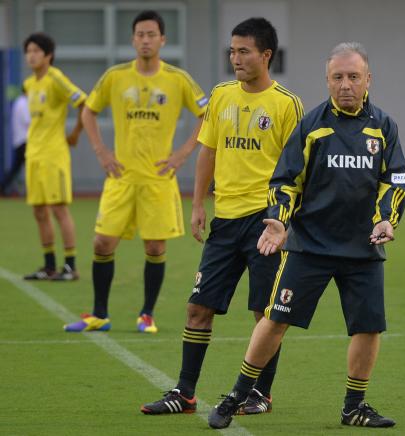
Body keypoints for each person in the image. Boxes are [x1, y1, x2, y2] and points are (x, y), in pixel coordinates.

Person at [207, 42, 405, 430]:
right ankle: (238, 394)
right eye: (338, 77)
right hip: (310, 246)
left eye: (353, 77)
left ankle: (354, 407)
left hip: (363, 247)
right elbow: (284, 181)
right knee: (275, 319)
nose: (345, 84)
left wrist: (387, 220)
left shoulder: (383, 127)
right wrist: (279, 221)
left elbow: (394, 179)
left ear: (368, 80)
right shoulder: (312, 125)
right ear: (327, 81)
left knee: (368, 327)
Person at [140, 17, 304, 415]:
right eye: (232, 51)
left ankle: (259, 394)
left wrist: (287, 223)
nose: (236, 58)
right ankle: (185, 393)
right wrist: (197, 204)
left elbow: (300, 171)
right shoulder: (221, 96)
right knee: (199, 306)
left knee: (264, 313)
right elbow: (207, 151)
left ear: (266, 55)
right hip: (224, 220)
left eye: (244, 51)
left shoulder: (287, 104)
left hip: (265, 222)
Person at [63, 10, 208, 334]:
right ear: (133, 40)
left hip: (158, 179)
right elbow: (88, 111)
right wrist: (101, 151)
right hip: (121, 177)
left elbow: (206, 112)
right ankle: (99, 314)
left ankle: (147, 315)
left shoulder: (177, 78)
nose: (145, 40)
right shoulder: (115, 76)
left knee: (155, 248)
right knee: (102, 243)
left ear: (162, 40)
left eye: (151, 34)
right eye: (140, 34)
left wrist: (182, 154)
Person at [23, 33, 86, 281]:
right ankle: (49, 265)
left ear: (48, 55)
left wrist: (75, 134)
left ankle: (70, 266)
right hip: (34, 154)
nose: (31, 55)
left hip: (53, 154)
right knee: (39, 211)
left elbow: (84, 103)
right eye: (28, 51)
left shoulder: (56, 78)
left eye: (36, 50)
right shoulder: (30, 84)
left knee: (59, 209)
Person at [0, 90, 30, 196]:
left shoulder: (19, 102)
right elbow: (28, 121)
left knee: (16, 167)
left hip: (20, 140)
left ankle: (3, 186)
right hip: (24, 140)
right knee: (30, 167)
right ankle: (30, 191)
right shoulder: (23, 103)